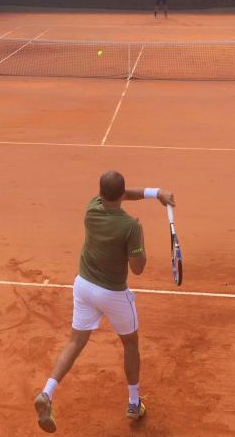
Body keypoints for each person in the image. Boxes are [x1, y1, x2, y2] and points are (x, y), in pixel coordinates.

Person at [33, 171, 175, 433]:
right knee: (130, 343)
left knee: (75, 341)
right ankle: (134, 402)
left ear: (100, 194)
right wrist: (139, 238)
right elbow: (138, 268)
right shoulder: (130, 227)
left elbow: (121, 194)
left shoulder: (91, 208)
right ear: (120, 195)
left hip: (84, 286)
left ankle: (47, 393)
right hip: (113, 294)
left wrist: (156, 193)